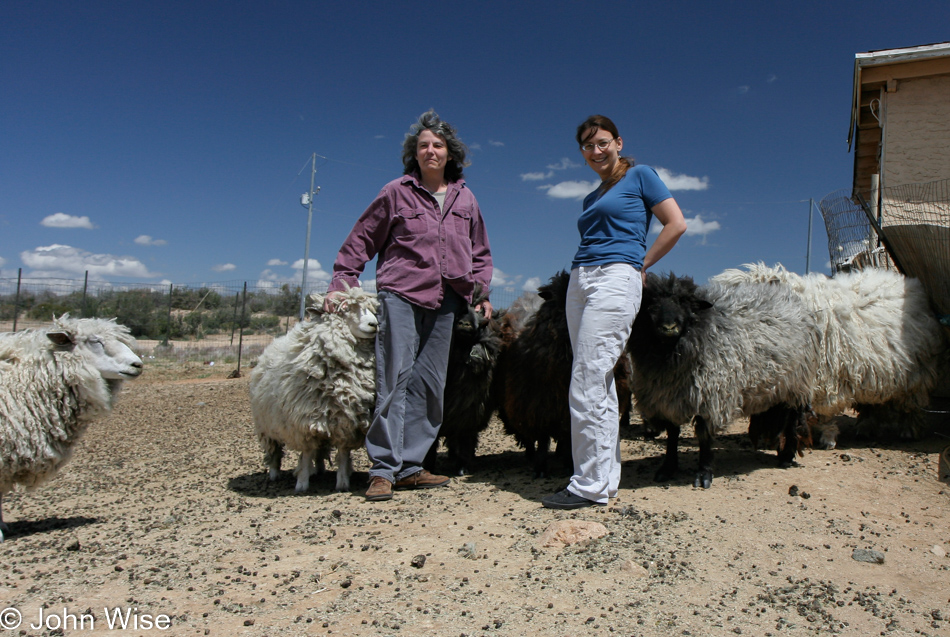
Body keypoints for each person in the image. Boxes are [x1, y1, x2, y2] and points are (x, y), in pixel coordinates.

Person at [324, 110, 493, 502]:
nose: (430, 151)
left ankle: (412, 467)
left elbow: (480, 252)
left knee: (430, 385)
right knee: (393, 380)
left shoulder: (466, 198)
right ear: (413, 154)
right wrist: (341, 281)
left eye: (437, 145)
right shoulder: (395, 192)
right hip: (400, 295)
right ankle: (383, 469)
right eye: (423, 146)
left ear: (450, 153)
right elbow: (361, 239)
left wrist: (479, 294)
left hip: (448, 299)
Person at [542, 115, 687, 510]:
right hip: (581, 279)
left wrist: (642, 264)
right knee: (598, 381)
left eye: (602, 142)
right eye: (587, 146)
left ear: (618, 143)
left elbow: (676, 224)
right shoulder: (592, 196)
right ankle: (602, 482)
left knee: (587, 378)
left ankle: (586, 483)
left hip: (615, 276)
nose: (596, 151)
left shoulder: (641, 176)